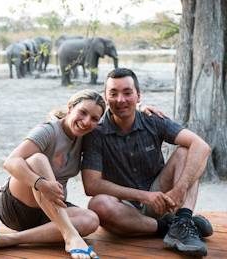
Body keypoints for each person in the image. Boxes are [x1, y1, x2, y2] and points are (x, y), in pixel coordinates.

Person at [81, 68, 213, 257]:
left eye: (127, 93)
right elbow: (91, 185)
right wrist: (143, 196)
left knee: (186, 152)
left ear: (138, 95)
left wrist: (180, 189)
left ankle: (182, 220)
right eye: (113, 93)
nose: (121, 100)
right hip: (124, 209)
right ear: (105, 97)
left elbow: (201, 146)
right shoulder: (96, 133)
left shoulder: (153, 120)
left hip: (162, 197)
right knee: (98, 204)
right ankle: (172, 226)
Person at [0, 89, 106, 259]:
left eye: (94, 119)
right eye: (82, 112)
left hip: (48, 213)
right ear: (70, 108)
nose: (86, 121)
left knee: (91, 219)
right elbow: (10, 162)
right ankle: (71, 237)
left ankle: (7, 240)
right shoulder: (48, 131)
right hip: (17, 207)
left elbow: (117, 122)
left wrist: (142, 109)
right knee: (37, 159)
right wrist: (41, 183)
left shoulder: (85, 137)